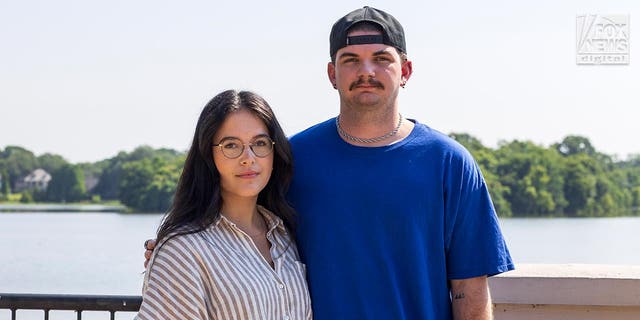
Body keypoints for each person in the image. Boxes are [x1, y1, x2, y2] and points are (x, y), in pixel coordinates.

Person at [145, 7, 513, 319]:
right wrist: (173, 249)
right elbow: (234, 209)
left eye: (382, 58)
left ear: (406, 70)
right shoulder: (292, 157)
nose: (365, 70)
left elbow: (470, 288)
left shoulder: (450, 162)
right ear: (332, 74)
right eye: (350, 60)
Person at [136, 90, 312, 320]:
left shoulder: (284, 236)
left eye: (259, 143)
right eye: (231, 145)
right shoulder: (183, 249)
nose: (248, 157)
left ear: (274, 152)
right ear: (208, 156)